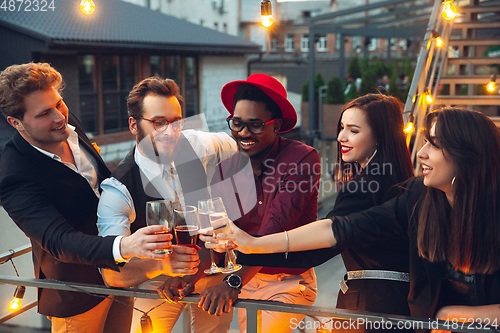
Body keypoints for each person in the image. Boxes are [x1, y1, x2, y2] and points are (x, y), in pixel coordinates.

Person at [214, 108, 500, 331]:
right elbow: (341, 228)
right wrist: (254, 244)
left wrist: (457, 315)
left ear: (467, 157)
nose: (422, 153)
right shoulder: (418, 196)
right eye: (424, 142)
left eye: (434, 145)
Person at [0, 63, 195, 333]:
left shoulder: (67, 125)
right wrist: (123, 247)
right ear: (15, 122)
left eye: (59, 103)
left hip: (122, 277)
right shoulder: (13, 174)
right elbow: (59, 241)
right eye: (44, 113)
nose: (60, 117)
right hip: (79, 291)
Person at [167, 73, 320, 333]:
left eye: (256, 125)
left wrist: (232, 283)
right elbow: (213, 235)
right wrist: (190, 278)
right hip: (244, 278)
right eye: (236, 123)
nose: (243, 133)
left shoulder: (302, 159)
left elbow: (274, 229)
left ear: (277, 124)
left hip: (289, 281)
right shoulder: (226, 170)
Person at [97, 76, 238, 333]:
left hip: (210, 266)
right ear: (133, 125)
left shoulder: (198, 144)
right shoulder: (118, 189)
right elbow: (112, 274)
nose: (170, 132)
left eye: (176, 122)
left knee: (217, 329)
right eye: (158, 122)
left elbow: (238, 146)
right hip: (155, 276)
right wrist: (164, 265)